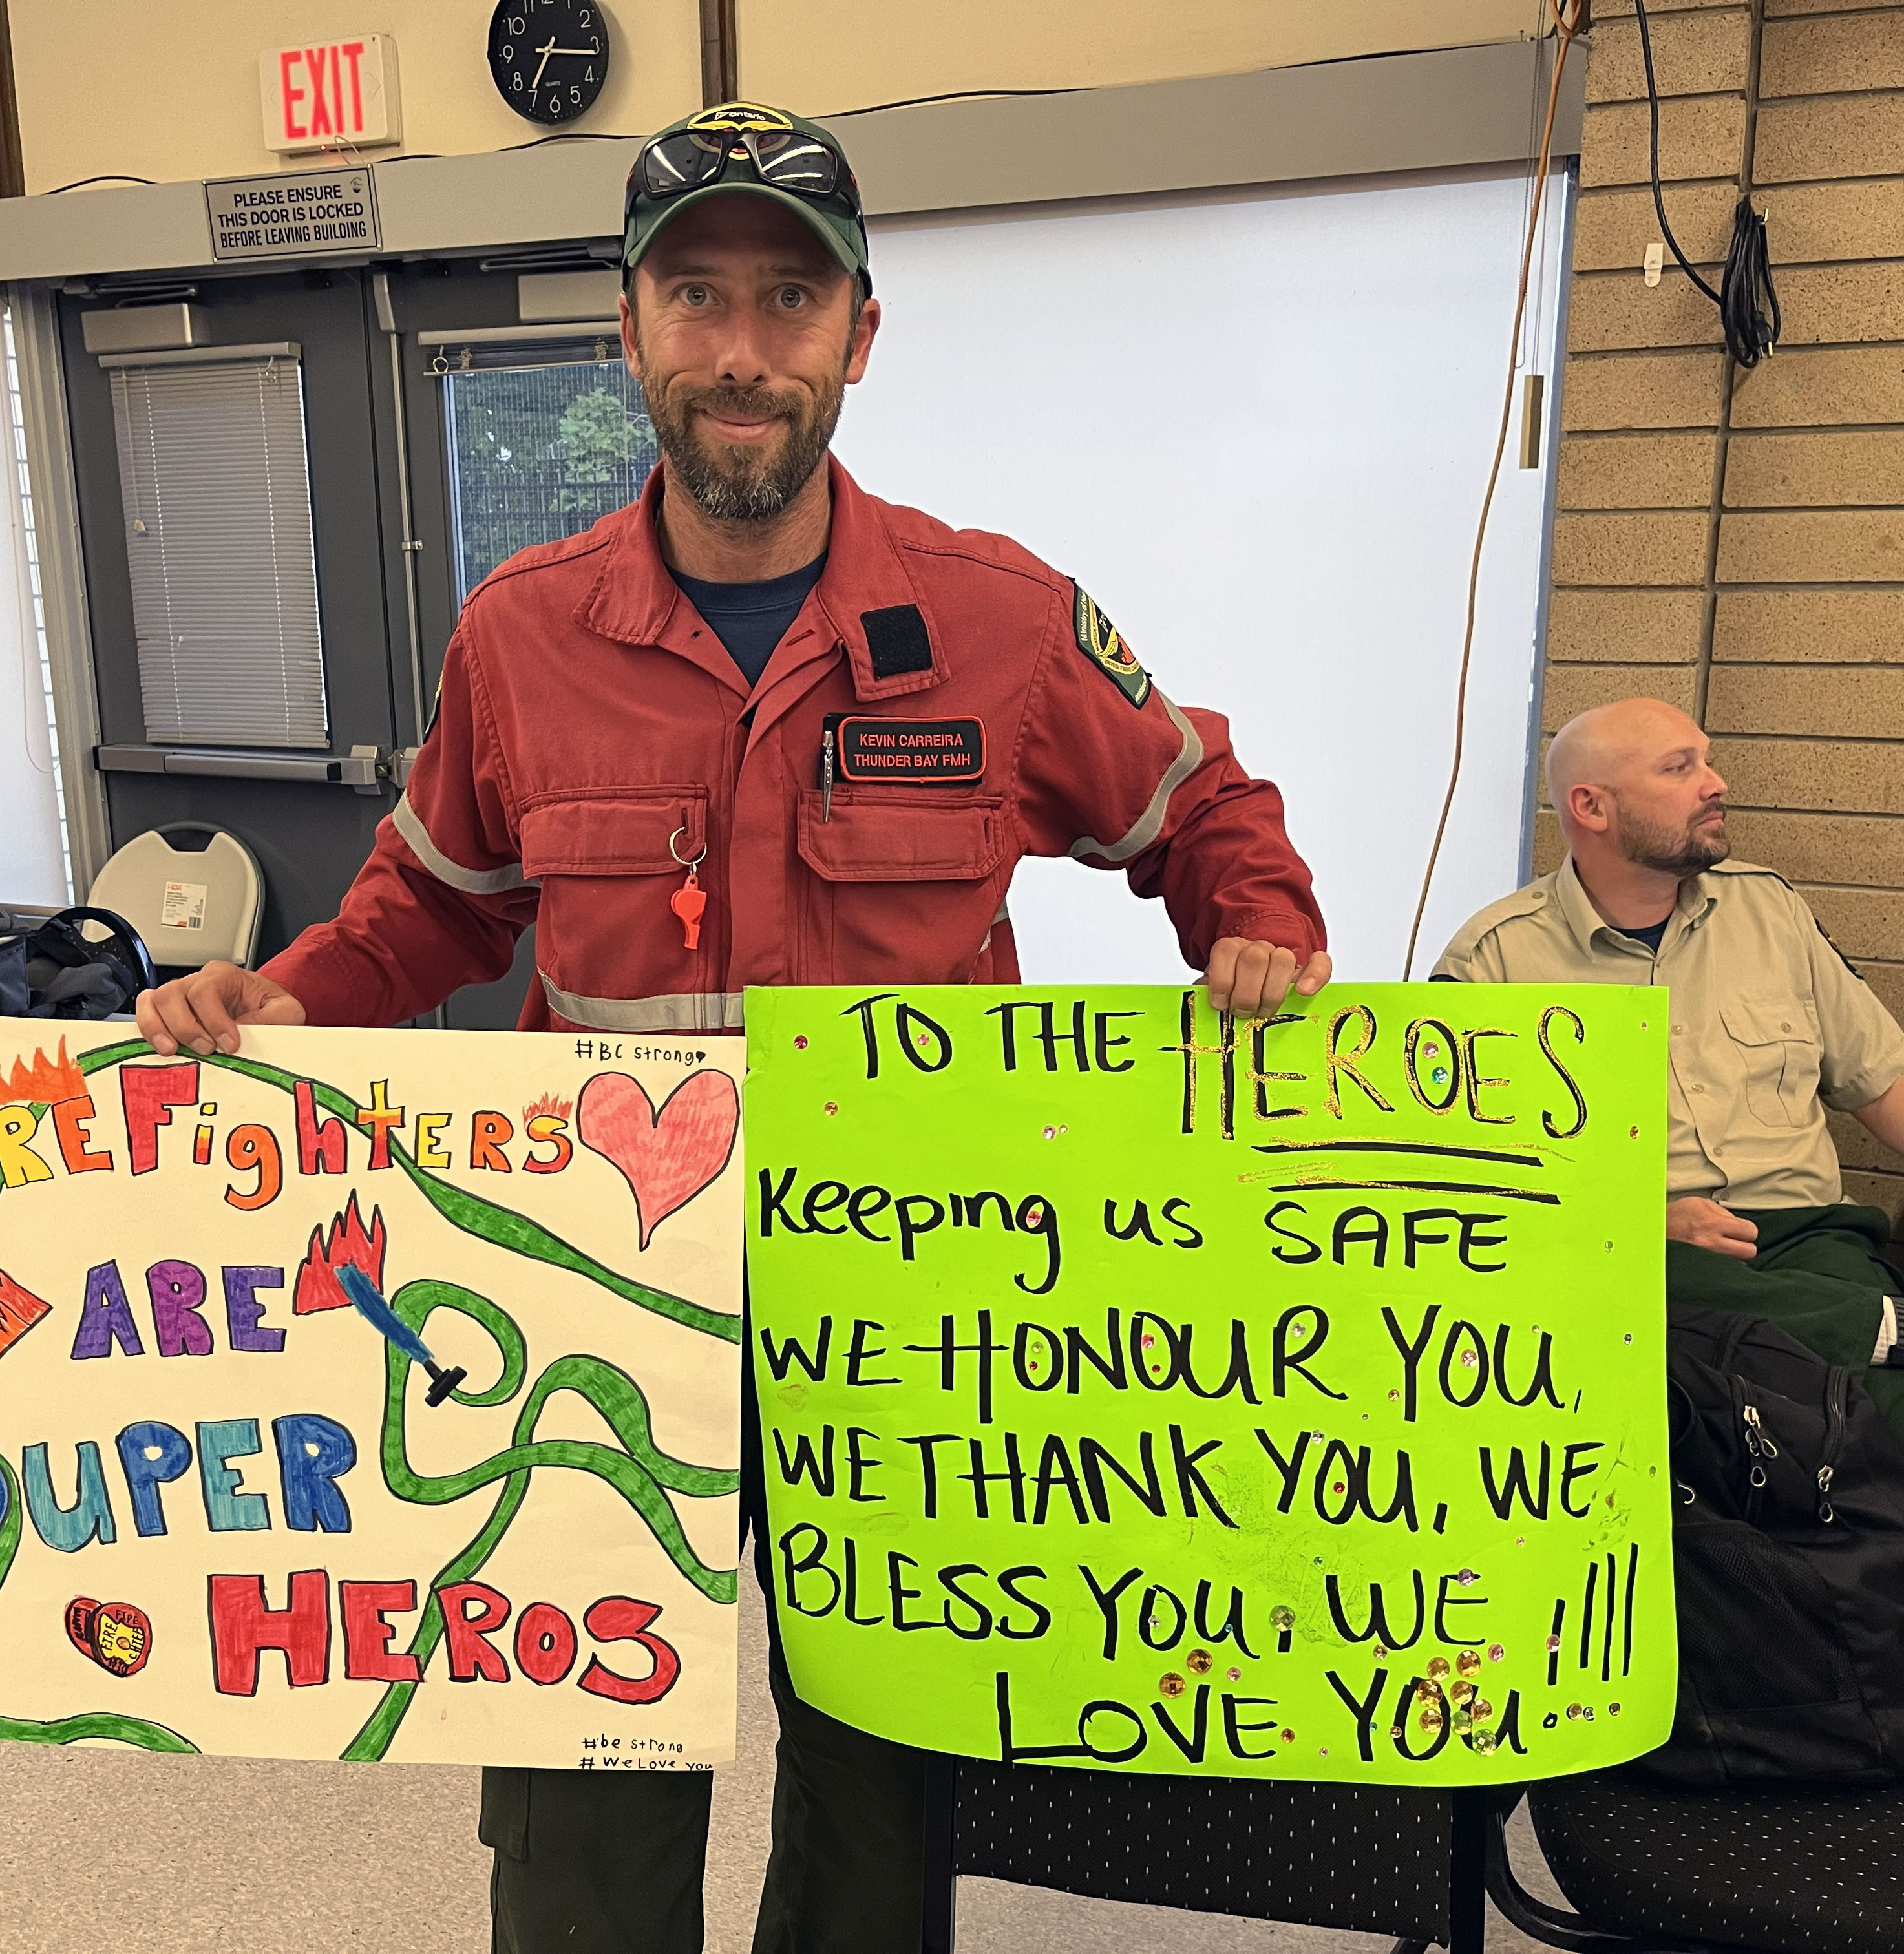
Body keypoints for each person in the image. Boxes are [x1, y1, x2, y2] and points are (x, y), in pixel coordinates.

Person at [138, 100, 1332, 1953]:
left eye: (790, 299)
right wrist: (272, 994)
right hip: (591, 1295)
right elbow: (430, 905)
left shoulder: (1000, 621)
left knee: (882, 1769)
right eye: (697, 296)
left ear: (861, 334)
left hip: (912, 1305)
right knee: (584, 1767)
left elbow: (1202, 806)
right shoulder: (521, 637)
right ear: (630, 333)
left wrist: (1255, 926)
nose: (743, 350)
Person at [1433, 697, 1904, 1487]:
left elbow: (1887, 1083)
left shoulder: (1768, 908)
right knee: (1631, 1307)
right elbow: (1463, 1188)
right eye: (1680, 768)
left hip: (1806, 1246)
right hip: (1641, 1254)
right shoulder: (1493, 962)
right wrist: (1639, 1222)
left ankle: (1894, 1339)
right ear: (1590, 806)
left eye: (1706, 759)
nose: (1716, 782)